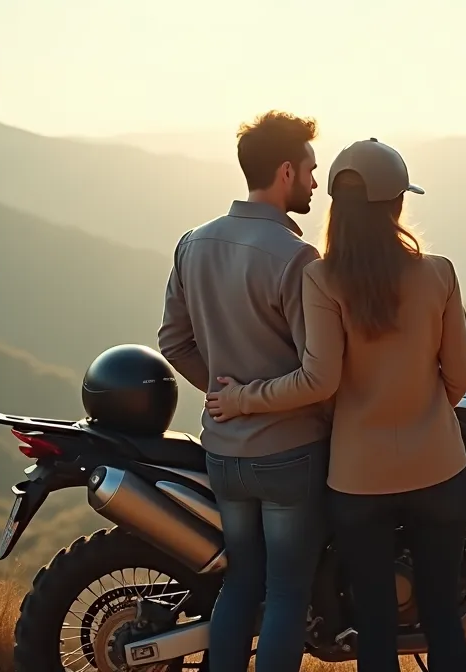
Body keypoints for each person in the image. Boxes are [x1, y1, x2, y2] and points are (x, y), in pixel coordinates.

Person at [203, 137, 466, 672]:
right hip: (439, 469)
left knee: (375, 621)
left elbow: (318, 381)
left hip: (356, 480)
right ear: (396, 204)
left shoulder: (321, 278)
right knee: (442, 616)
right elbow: (461, 371)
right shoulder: (437, 273)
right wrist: (428, 410)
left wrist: (241, 399)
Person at [157, 110, 330, 672]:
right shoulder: (299, 260)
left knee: (240, 585)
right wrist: (251, 396)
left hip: (224, 453)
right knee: (285, 593)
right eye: (309, 170)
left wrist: (221, 393)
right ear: (285, 171)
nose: (313, 182)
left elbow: (173, 342)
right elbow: (315, 376)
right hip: (290, 455)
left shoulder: (192, 243)